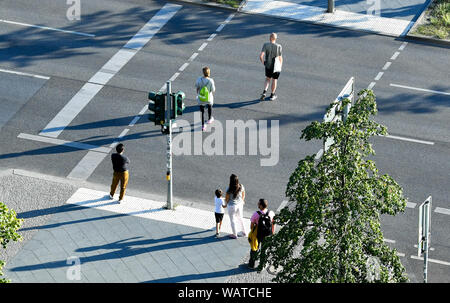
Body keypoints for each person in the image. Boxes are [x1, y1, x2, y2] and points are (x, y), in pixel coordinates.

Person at [248, 199, 275, 269]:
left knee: (254, 248)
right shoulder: (271, 213)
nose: (257, 204)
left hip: (258, 234)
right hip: (267, 234)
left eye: (258, 203)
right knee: (264, 250)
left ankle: (251, 264)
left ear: (260, 205)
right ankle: (262, 265)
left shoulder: (256, 214)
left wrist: (252, 232)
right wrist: (272, 232)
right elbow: (273, 223)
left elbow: (251, 226)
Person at [259, 33, 283, 101]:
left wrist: (264, 63)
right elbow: (280, 58)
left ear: (270, 38)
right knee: (274, 80)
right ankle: (272, 95)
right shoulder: (279, 46)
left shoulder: (266, 45)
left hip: (268, 66)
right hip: (276, 66)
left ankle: (264, 92)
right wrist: (280, 66)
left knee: (267, 79)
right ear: (276, 39)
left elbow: (261, 56)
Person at [224, 174, 246, 239]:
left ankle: (235, 234)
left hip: (232, 206)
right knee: (240, 218)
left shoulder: (229, 189)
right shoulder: (241, 186)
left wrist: (225, 205)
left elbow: (227, 199)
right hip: (240, 204)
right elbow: (243, 194)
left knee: (232, 220)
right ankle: (244, 232)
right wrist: (242, 200)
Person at [195, 66, 216, 131]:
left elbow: (197, 87)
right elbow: (213, 90)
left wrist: (198, 94)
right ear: (209, 73)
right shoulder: (211, 81)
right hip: (208, 98)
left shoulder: (199, 79)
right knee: (210, 106)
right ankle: (209, 119)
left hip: (201, 98)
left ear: (203, 73)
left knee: (202, 112)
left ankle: (203, 126)